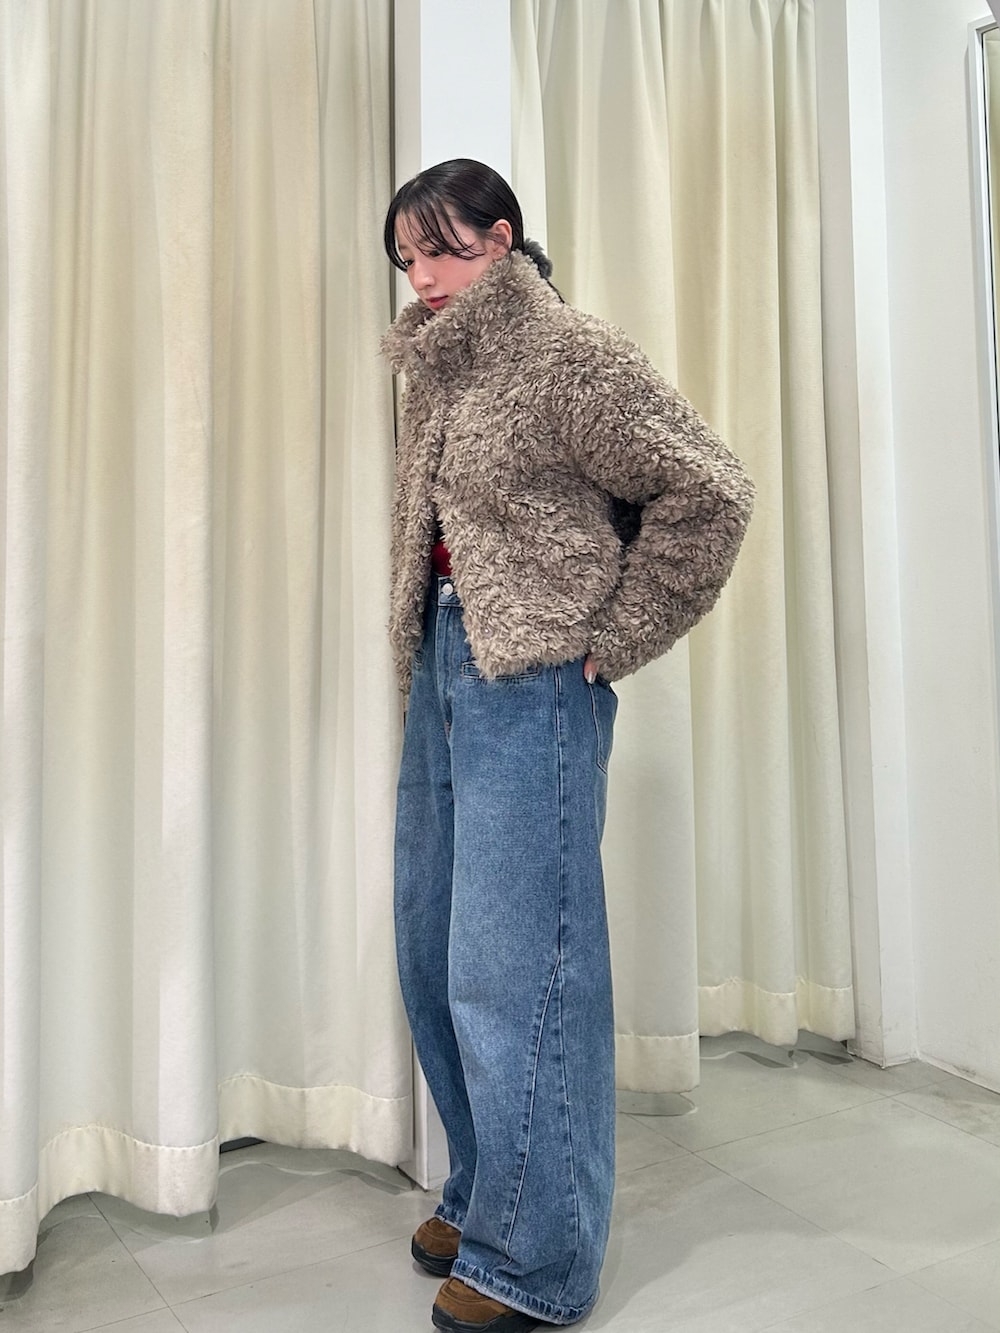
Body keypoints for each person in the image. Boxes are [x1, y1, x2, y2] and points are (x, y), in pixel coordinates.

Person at [382, 159, 753, 1333]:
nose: (421, 276)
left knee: (518, 968)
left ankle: (534, 1258)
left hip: (532, 682)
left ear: (500, 239)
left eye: (440, 249)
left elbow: (709, 491)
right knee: (432, 947)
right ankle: (487, 1192)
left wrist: (613, 638)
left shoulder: (568, 353)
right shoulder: (437, 370)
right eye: (405, 257)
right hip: (442, 667)